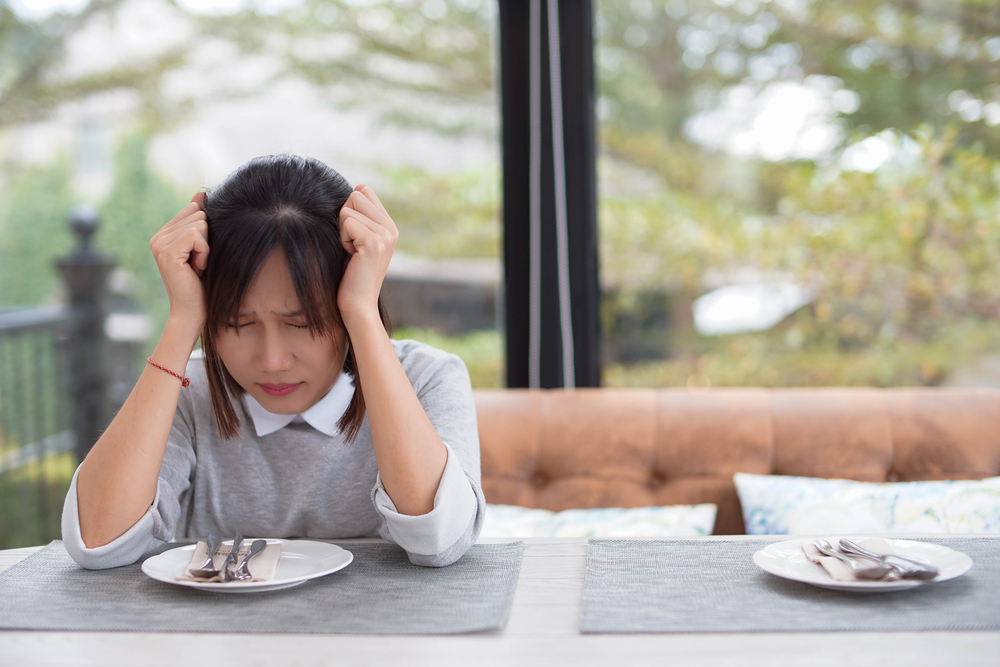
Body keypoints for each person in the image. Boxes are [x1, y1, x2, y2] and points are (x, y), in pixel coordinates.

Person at [61, 154, 485, 569]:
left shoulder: (427, 377)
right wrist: (182, 319)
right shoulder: (187, 391)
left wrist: (361, 310)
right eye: (238, 322)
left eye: (301, 324)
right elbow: (98, 542)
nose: (272, 360)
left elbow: (438, 540)